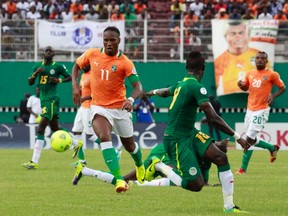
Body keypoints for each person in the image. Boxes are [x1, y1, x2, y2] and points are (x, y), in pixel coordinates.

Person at [144, 50, 250, 213]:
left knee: (221, 157)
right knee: (195, 185)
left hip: (189, 133)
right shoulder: (195, 87)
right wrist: (238, 137)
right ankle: (159, 166)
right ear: (203, 68)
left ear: (187, 67)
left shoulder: (181, 84)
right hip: (177, 138)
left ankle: (229, 207)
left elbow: (165, 92)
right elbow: (213, 118)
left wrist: (152, 92)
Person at [71, 26, 145, 193]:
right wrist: (75, 86)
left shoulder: (125, 63)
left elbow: (138, 87)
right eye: (106, 40)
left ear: (119, 41)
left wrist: (131, 99)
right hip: (99, 107)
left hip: (120, 109)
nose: (109, 43)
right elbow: (76, 66)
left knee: (130, 146)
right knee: (104, 136)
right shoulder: (92, 54)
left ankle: (140, 165)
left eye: (112, 40)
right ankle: (119, 179)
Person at [71, 139, 229, 188]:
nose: (217, 154)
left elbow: (203, 182)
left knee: (126, 182)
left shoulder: (207, 162)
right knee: (125, 179)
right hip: (163, 153)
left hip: (169, 157)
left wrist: (213, 186)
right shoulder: (200, 147)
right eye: (216, 148)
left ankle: (85, 171)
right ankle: (157, 167)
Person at [22, 46, 83, 169]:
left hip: (52, 99)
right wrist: (35, 74)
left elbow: (71, 76)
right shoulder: (38, 66)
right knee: (55, 128)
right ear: (43, 53)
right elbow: (30, 82)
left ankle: (34, 162)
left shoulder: (58, 66)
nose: (48, 52)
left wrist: (58, 80)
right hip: (44, 100)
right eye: (46, 51)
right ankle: (77, 143)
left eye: (50, 51)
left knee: (40, 129)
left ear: (53, 54)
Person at [235, 51, 286, 175]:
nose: (259, 60)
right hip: (249, 110)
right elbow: (245, 88)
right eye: (257, 58)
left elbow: (282, 87)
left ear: (266, 61)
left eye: (262, 58)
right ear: (255, 60)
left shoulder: (272, 74)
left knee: (249, 138)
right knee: (251, 139)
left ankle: (242, 169)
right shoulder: (250, 73)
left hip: (262, 110)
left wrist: (273, 96)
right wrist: (240, 85)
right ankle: (271, 147)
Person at [214, 21, 260, 96]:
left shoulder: (259, 56)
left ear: (248, 35)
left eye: (241, 33)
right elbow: (217, 87)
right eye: (233, 34)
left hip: (255, 98)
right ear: (226, 37)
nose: (237, 37)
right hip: (229, 100)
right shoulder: (219, 61)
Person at [71, 65, 99, 164]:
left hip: (89, 107)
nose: (83, 66)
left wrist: (83, 98)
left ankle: (114, 150)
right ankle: (82, 160)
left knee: (90, 134)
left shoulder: (93, 76)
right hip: (82, 107)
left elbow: (96, 93)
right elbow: (83, 90)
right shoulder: (83, 75)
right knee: (76, 132)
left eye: (86, 64)